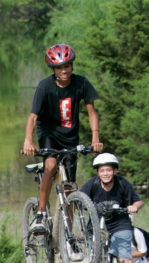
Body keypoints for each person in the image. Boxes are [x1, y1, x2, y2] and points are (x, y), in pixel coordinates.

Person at [23, 43, 103, 233]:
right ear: (53, 69)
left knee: (70, 188)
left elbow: (92, 113)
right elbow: (33, 116)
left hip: (70, 137)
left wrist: (95, 138)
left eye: (66, 65)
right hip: (48, 133)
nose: (64, 70)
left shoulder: (81, 83)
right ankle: (41, 214)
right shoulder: (45, 86)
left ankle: (68, 234)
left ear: (72, 65)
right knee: (50, 165)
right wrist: (28, 140)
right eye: (59, 67)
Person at [80, 153, 144, 263]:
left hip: (120, 223)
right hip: (97, 224)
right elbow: (79, 199)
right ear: (97, 172)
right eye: (102, 170)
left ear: (114, 170)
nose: (105, 173)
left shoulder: (122, 183)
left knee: (125, 257)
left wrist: (134, 207)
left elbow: (139, 202)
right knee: (94, 260)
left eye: (108, 170)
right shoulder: (92, 184)